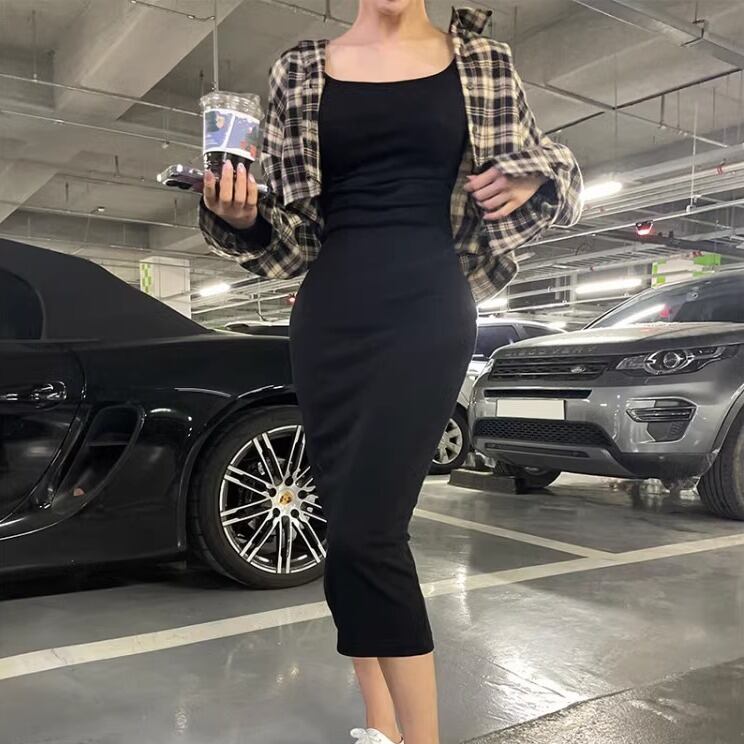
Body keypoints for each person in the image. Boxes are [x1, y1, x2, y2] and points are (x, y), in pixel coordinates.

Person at [200, 2, 582, 742]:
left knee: (371, 534)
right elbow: (289, 232)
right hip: (329, 314)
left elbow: (559, 174)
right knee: (345, 528)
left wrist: (533, 178)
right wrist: (240, 216)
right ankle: (380, 723)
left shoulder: (483, 63)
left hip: (428, 308)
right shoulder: (298, 70)